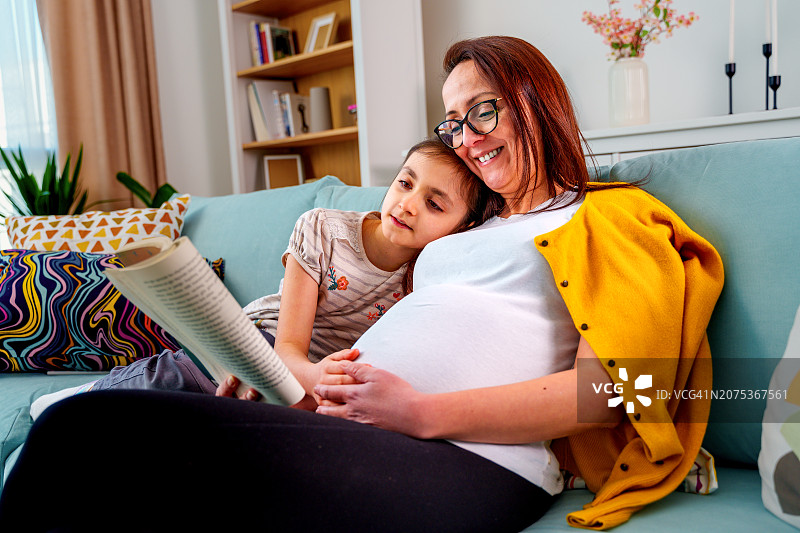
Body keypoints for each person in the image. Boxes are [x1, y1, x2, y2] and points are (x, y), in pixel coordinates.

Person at [0, 36, 723, 533]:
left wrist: (421, 410)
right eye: (454, 120)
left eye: (484, 110)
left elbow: (614, 391)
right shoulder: (466, 232)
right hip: (345, 424)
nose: (466, 137)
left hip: (473, 461)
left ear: (538, 100)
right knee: (94, 459)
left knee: (82, 430)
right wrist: (292, 385)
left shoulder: (610, 214)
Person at [29, 138, 504, 417]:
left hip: (310, 381)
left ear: (459, 229)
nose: (407, 204)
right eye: (404, 183)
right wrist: (316, 378)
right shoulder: (322, 228)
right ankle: (82, 397)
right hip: (264, 340)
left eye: (435, 204)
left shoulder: (427, 276)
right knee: (174, 378)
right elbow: (288, 349)